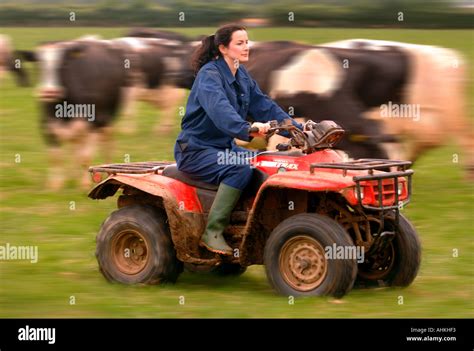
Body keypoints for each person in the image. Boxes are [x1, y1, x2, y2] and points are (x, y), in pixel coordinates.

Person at [174, 24, 302, 255]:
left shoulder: (241, 74)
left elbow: (264, 106)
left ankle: (249, 224)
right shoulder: (209, 76)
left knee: (269, 161)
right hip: (195, 151)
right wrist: (247, 129)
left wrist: (297, 130)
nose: (246, 47)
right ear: (223, 48)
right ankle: (212, 232)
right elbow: (221, 111)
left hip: (224, 148)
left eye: (247, 42)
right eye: (240, 43)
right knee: (239, 169)